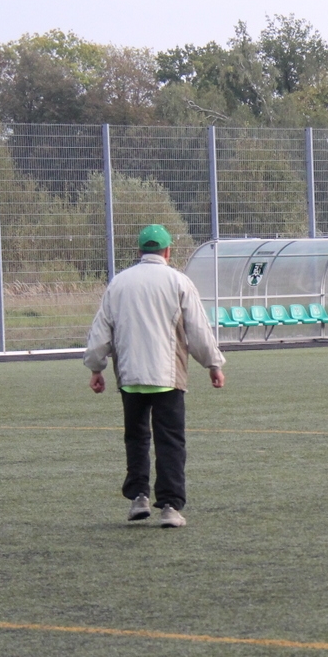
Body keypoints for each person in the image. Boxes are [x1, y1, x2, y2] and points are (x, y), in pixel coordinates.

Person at [84, 225, 226, 527]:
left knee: (136, 438)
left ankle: (138, 498)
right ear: (167, 251)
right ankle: (171, 507)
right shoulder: (178, 281)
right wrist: (213, 364)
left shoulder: (119, 283)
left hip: (131, 376)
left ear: (139, 252)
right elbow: (198, 330)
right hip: (168, 376)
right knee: (170, 440)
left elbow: (101, 331)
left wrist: (96, 368)